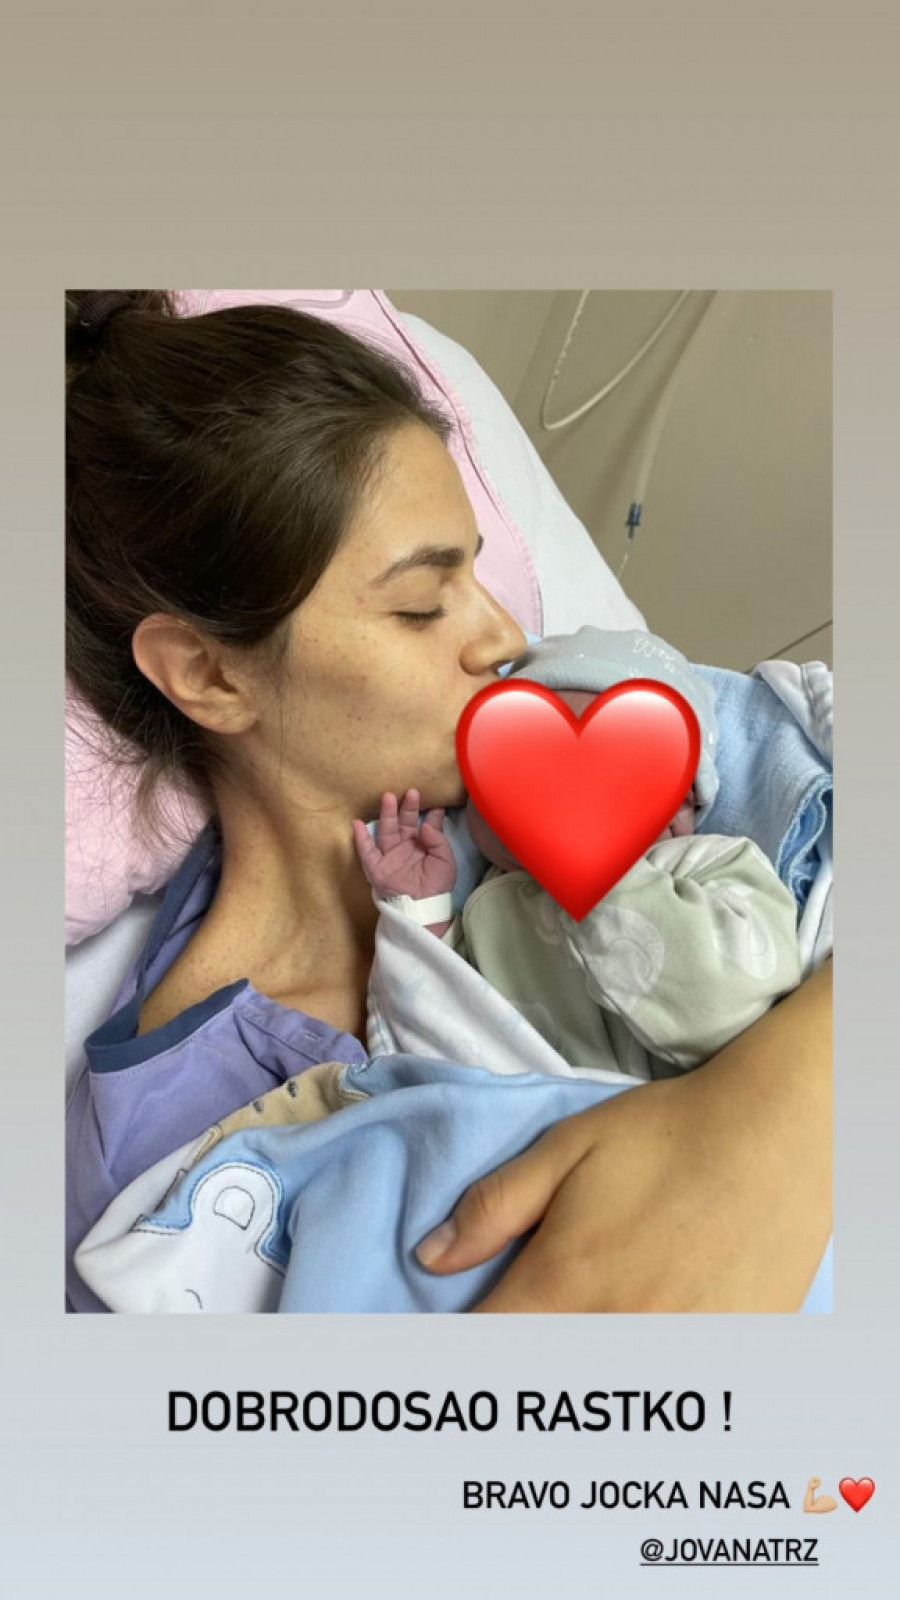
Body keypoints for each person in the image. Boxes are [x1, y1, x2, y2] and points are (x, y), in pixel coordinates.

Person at [65, 290, 832, 1313]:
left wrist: (770, 1117)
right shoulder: (176, 1165)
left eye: (477, 572)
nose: (504, 635)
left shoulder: (589, 742)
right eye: (423, 605)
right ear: (209, 673)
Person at [353, 625, 804, 1081]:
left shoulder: (712, 864)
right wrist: (425, 909)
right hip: (520, 1102)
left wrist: (598, 870)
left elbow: (727, 1002)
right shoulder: (491, 901)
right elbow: (447, 1013)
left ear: (680, 809)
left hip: (672, 1106)